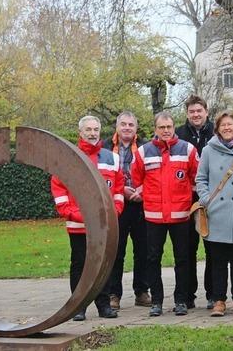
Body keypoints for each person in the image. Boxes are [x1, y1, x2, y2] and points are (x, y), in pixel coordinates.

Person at [50, 115, 124, 321]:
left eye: (96, 129)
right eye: (88, 130)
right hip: (78, 224)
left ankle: (104, 305)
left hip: (104, 225)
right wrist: (77, 214)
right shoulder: (67, 159)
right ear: (80, 132)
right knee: (80, 264)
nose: (92, 133)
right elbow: (59, 189)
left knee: (104, 264)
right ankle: (78, 306)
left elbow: (118, 187)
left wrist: (116, 209)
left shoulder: (112, 158)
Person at [132, 111, 199, 317]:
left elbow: (197, 176)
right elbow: (136, 178)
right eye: (162, 127)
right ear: (155, 129)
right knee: (152, 259)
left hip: (181, 215)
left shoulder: (188, 149)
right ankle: (157, 302)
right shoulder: (143, 152)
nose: (166, 131)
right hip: (154, 216)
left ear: (174, 127)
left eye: (169, 127)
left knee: (183, 258)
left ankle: (181, 300)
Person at [195, 110, 233, 317]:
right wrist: (205, 199)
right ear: (218, 128)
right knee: (218, 260)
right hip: (217, 212)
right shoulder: (208, 150)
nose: (227, 128)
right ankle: (219, 300)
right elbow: (201, 178)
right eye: (223, 125)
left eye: (230, 124)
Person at [103, 111, 151, 310]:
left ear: (136, 128)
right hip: (117, 203)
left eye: (131, 124)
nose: (127, 128)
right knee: (117, 250)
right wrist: (122, 190)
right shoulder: (105, 147)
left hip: (141, 203)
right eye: (123, 124)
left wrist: (142, 190)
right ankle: (114, 294)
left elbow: (155, 173)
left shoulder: (146, 147)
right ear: (117, 126)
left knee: (143, 250)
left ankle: (142, 291)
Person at [175, 95, 215, 309]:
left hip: (211, 200)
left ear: (206, 112)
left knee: (212, 249)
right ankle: (187, 295)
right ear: (187, 114)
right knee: (187, 249)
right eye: (192, 111)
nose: (196, 115)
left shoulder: (216, 132)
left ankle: (212, 294)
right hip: (186, 201)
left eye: (199, 111)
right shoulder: (179, 134)